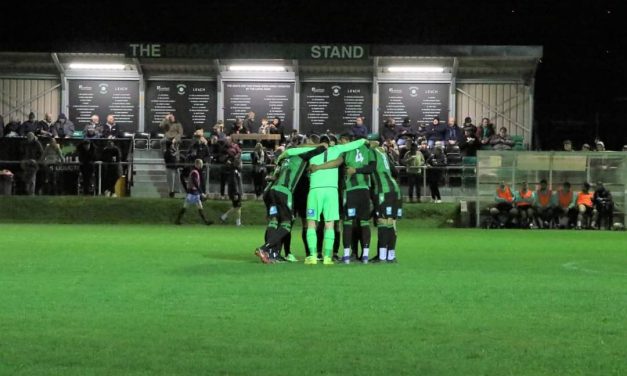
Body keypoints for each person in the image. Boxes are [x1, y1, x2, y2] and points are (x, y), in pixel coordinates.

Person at [254, 142, 327, 264]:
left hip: (272, 191)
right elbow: (321, 149)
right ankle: (263, 248)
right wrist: (321, 144)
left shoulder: (284, 160)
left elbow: (274, 176)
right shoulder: (301, 156)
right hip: (284, 192)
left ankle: (272, 254)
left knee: (274, 221)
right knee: (287, 224)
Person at [305, 136, 369, 265]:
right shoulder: (337, 149)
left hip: (315, 190)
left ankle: (312, 256)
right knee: (330, 225)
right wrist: (365, 141)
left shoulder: (311, 152)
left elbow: (295, 150)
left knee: (311, 224)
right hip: (331, 191)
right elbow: (356, 143)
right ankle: (328, 257)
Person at [369, 142, 402, 262]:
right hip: (395, 190)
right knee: (391, 223)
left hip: (383, 190)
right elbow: (396, 172)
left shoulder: (371, 152)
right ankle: (391, 256)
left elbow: (370, 168)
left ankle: (382, 256)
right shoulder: (383, 153)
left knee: (382, 222)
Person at [175, 159, 213, 225]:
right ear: (197, 164)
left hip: (194, 192)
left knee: (199, 206)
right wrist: (201, 193)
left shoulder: (195, 171)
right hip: (192, 192)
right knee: (186, 206)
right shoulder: (194, 172)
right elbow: (195, 183)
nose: (202, 165)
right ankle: (177, 220)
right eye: (201, 164)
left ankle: (206, 221)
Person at [220, 141, 244, 226]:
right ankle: (238, 223)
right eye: (241, 164)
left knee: (236, 207)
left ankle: (224, 216)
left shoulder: (235, 171)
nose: (242, 165)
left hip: (234, 191)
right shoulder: (235, 171)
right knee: (238, 207)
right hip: (234, 191)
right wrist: (236, 193)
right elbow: (234, 183)